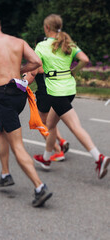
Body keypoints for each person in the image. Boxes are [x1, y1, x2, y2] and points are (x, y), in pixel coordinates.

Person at [0, 11, 53, 207]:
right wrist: (18, 71)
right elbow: (36, 63)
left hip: (4, 96)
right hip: (19, 93)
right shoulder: (18, 42)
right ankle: (5, 174)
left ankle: (39, 187)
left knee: (16, 145)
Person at [31, 14, 109, 179]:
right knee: (50, 125)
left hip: (56, 92)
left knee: (75, 127)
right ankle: (46, 159)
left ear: (47, 28)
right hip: (69, 89)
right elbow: (85, 59)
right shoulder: (68, 43)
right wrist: (73, 71)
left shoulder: (42, 46)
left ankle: (99, 158)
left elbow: (35, 68)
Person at [24, 35, 69, 165]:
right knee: (51, 122)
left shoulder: (37, 59)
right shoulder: (55, 57)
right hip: (58, 92)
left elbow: (29, 76)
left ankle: (57, 150)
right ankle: (61, 141)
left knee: (41, 124)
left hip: (45, 94)